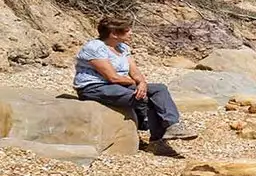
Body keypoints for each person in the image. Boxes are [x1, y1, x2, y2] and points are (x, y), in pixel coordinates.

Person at [74, 16, 198, 144]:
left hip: (119, 84)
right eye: (127, 30)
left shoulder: (122, 48)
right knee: (143, 98)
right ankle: (153, 134)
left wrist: (142, 82)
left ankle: (172, 126)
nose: (131, 33)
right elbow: (112, 77)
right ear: (114, 34)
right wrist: (137, 84)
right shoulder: (94, 48)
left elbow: (134, 70)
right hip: (95, 87)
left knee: (159, 89)